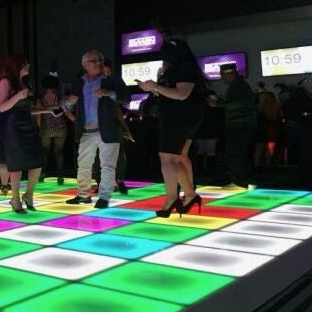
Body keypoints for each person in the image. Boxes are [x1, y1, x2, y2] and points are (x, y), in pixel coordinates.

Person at [138, 24, 205, 216]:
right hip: (176, 116)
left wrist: (155, 86)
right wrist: (154, 85)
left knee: (168, 157)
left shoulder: (185, 68)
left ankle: (173, 198)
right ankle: (189, 195)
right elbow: (170, 92)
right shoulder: (176, 68)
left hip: (179, 117)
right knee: (176, 157)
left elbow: (181, 94)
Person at [62, 50, 125, 209]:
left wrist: (108, 93)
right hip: (86, 131)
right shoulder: (79, 82)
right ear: (85, 65)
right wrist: (69, 102)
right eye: (94, 61)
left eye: (100, 60)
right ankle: (83, 195)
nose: (98, 63)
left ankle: (104, 197)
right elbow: (69, 104)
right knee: (83, 164)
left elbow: (126, 98)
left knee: (107, 165)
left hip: (108, 130)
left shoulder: (111, 80)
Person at [0, 54, 47, 213]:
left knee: (37, 161)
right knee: (17, 163)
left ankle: (29, 194)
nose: (28, 66)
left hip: (29, 124)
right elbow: (1, 107)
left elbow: (28, 108)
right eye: (25, 64)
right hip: (14, 126)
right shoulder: (5, 82)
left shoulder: (27, 83)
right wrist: (18, 96)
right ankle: (15, 199)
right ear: (16, 66)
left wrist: (48, 110)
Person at [91, 58, 131, 194]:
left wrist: (110, 94)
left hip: (112, 123)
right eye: (104, 71)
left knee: (117, 154)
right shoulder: (94, 82)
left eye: (108, 71)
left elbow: (125, 99)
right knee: (99, 155)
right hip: (97, 124)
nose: (106, 73)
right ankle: (102, 182)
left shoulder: (115, 81)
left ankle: (118, 180)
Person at [37, 71, 74, 185]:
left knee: (45, 151)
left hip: (46, 128)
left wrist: (39, 129)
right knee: (59, 151)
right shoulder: (60, 98)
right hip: (60, 127)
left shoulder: (40, 100)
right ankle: (60, 175)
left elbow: (38, 117)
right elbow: (66, 111)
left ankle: (42, 174)